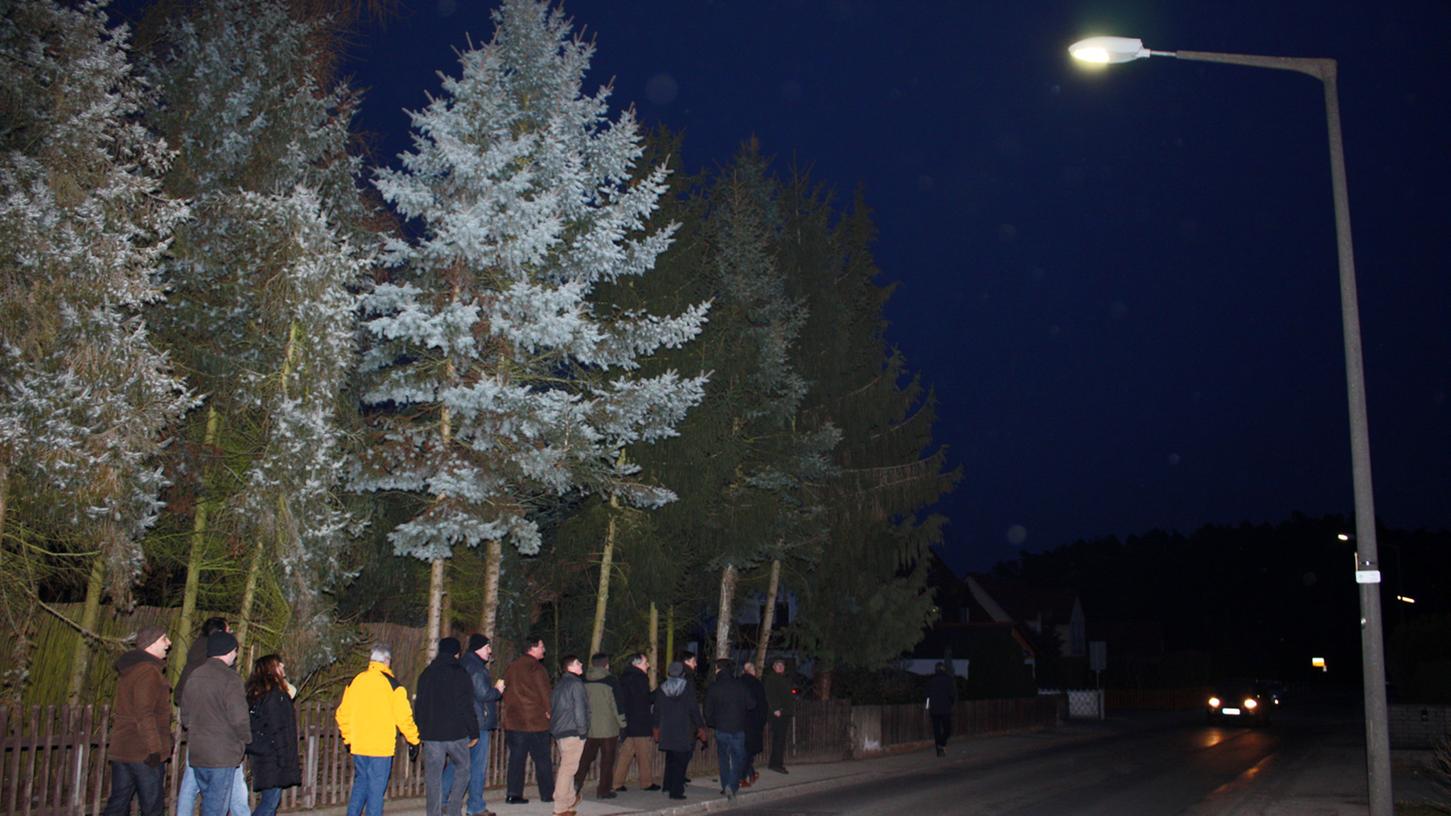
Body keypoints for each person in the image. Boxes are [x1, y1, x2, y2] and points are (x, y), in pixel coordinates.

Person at [175, 618, 250, 816]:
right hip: (222, 754)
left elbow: (186, 716)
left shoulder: (195, 675)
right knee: (216, 808)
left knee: (207, 800)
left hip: (199, 752)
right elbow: (239, 718)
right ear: (227, 651)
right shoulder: (230, 679)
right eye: (235, 650)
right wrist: (245, 740)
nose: (236, 655)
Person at [336, 644, 422, 816]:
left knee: (361, 783)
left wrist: (349, 738)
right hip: (381, 748)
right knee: (376, 790)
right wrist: (414, 740)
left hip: (359, 745)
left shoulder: (356, 681)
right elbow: (404, 718)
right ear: (387, 661)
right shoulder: (393, 685)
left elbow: (342, 714)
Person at [103, 626, 172, 816]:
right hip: (143, 752)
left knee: (118, 804)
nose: (169, 643)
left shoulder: (132, 669)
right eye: (164, 639)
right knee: (152, 807)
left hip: (124, 749)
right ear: (151, 643)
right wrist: (154, 749)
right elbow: (144, 713)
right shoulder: (148, 671)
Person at [416, 638, 479, 816]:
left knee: (433, 777)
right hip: (456, 733)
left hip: (432, 734)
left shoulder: (426, 674)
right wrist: (473, 731)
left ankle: (434, 813)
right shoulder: (461, 673)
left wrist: (420, 729)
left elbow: (420, 705)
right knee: (464, 769)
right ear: (457, 653)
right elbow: (467, 705)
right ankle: (453, 809)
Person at [446, 633, 504, 816]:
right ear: (479, 648)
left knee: (458, 763)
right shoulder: (476, 668)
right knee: (476, 766)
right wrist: (497, 690)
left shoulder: (464, 664)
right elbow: (483, 694)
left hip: (464, 722)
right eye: (488, 647)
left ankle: (442, 800)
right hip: (478, 723)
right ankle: (476, 806)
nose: (490, 651)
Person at [244, 655, 301, 816]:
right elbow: (278, 728)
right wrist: (284, 759)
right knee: (270, 803)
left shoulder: (262, 694)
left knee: (271, 801)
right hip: (272, 756)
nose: (282, 666)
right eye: (278, 665)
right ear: (270, 669)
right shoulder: (273, 696)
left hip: (267, 755)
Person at [500, 635, 553, 805]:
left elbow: (504, 689)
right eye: (542, 645)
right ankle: (547, 793)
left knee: (516, 759)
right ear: (534, 647)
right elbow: (545, 693)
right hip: (535, 721)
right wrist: (550, 712)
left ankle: (513, 793)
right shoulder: (536, 668)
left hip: (514, 721)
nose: (544, 649)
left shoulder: (512, 667)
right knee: (543, 759)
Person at [703, 659, 754, 801]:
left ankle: (726, 785)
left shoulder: (714, 687)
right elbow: (751, 704)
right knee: (739, 758)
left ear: (719, 669)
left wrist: (714, 722)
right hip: (738, 728)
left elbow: (707, 711)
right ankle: (732, 786)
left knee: (723, 758)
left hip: (721, 729)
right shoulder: (740, 685)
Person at [574, 653, 623, 799]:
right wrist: (623, 723)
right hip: (608, 727)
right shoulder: (611, 680)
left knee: (585, 759)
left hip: (589, 726)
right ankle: (603, 790)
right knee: (607, 760)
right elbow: (617, 704)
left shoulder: (583, 679)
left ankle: (575, 785)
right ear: (606, 664)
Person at [652, 661, 702, 802]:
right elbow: (694, 709)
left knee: (671, 759)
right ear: (682, 673)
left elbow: (657, 710)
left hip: (667, 729)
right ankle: (676, 791)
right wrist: (700, 726)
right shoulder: (687, 688)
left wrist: (656, 727)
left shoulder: (662, 688)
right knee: (680, 761)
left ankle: (667, 786)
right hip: (683, 728)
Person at [611, 653, 658, 793]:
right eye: (645, 662)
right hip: (640, 722)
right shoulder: (640, 678)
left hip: (628, 722)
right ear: (636, 664)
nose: (648, 665)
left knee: (625, 754)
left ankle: (616, 783)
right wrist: (658, 692)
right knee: (644, 754)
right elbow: (645, 699)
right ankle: (646, 782)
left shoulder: (624, 677)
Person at [548, 655, 588, 816]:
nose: (581, 664)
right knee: (568, 768)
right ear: (570, 667)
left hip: (560, 730)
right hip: (573, 730)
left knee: (568, 766)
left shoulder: (560, 684)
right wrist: (583, 730)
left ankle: (570, 800)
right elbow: (579, 709)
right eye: (578, 663)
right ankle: (560, 807)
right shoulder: (576, 684)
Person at [738, 661, 768, 787]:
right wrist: (762, 722)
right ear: (752, 671)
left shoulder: (737, 683)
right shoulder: (757, 685)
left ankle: (752, 773)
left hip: (738, 722)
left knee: (744, 750)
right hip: (753, 723)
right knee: (749, 752)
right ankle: (741, 777)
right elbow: (762, 705)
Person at [763, 659, 795, 774]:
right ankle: (776, 764)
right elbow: (770, 694)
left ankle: (775, 762)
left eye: (782, 665)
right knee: (779, 739)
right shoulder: (772, 679)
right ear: (774, 667)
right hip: (778, 713)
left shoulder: (783, 678)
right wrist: (776, 709)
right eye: (778, 665)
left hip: (785, 712)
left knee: (780, 739)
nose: (781, 667)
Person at [925, 661, 958, 757]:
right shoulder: (948, 680)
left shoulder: (931, 680)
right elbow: (952, 695)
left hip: (934, 710)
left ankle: (939, 749)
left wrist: (927, 707)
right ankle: (942, 744)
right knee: (947, 729)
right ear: (943, 669)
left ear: (936, 669)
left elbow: (927, 696)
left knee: (937, 730)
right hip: (945, 709)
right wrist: (950, 704)